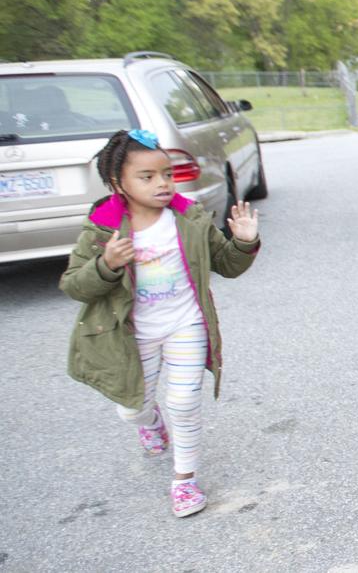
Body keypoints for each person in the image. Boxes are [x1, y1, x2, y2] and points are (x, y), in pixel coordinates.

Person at [59, 129, 260, 517]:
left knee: (184, 403)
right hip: (130, 336)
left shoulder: (190, 218)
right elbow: (74, 286)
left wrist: (244, 242)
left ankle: (184, 481)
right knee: (132, 407)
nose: (162, 183)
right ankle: (149, 422)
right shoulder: (103, 228)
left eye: (167, 174)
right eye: (147, 177)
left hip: (185, 324)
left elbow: (227, 265)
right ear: (119, 182)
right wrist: (106, 265)